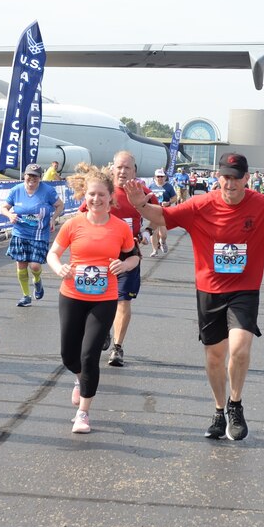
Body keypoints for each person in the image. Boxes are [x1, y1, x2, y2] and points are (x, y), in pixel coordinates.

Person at [123, 152, 264, 442]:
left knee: (240, 348)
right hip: (209, 290)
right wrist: (139, 204)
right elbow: (162, 216)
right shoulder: (201, 204)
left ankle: (236, 404)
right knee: (215, 357)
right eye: (225, 176)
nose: (229, 183)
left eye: (236, 177)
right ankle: (219, 409)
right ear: (219, 178)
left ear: (246, 179)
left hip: (244, 290)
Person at [48, 164, 140, 433]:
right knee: (69, 355)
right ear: (84, 196)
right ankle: (80, 379)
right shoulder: (73, 224)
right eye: (91, 195)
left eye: (101, 195)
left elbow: (134, 256)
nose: (96, 200)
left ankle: (83, 413)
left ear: (111, 197)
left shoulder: (120, 228)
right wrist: (59, 268)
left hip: (104, 297)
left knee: (89, 355)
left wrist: (124, 265)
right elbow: (53, 254)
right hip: (72, 295)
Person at [79, 150, 157, 367]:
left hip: (128, 254)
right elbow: (81, 216)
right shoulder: (101, 191)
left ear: (134, 171)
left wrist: (148, 232)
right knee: (96, 299)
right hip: (99, 255)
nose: (122, 171)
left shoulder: (143, 192)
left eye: (127, 168)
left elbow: (159, 217)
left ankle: (117, 347)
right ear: (112, 167)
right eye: (119, 167)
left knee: (123, 301)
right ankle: (103, 329)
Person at [3, 163, 63, 306]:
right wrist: (9, 215)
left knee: (35, 266)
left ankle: (37, 281)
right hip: (20, 233)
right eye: (29, 175)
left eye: (35, 176)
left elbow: (60, 205)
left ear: (40, 178)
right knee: (21, 265)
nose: (32, 179)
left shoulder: (47, 191)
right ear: (24, 175)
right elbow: (4, 207)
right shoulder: (16, 190)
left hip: (39, 233)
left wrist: (53, 219)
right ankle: (26, 296)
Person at [149, 167, 176, 256]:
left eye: (161, 176)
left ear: (164, 177)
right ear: (154, 177)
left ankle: (162, 242)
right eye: (158, 176)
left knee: (163, 234)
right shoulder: (151, 186)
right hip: (153, 212)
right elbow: (146, 198)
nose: (160, 178)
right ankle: (154, 250)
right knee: (153, 231)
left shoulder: (168, 186)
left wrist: (168, 202)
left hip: (164, 212)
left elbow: (175, 198)